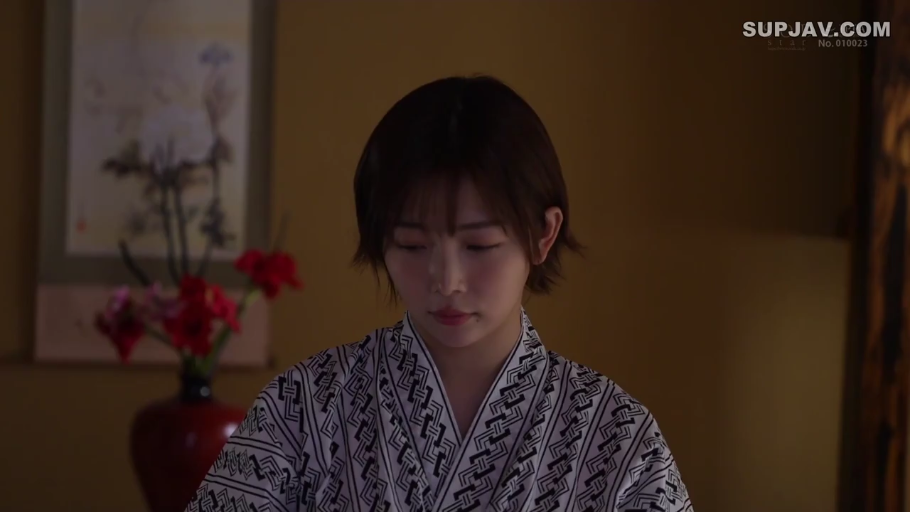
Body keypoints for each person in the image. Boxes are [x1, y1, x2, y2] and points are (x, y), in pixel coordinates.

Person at [184, 75, 693, 512]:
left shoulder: (616, 436)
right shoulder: (303, 407)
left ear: (543, 234)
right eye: (412, 245)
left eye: (479, 245)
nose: (446, 280)